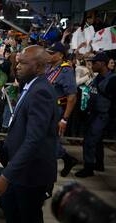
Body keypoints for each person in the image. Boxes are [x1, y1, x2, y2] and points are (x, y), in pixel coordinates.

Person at [0, 45, 58, 223]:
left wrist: (6, 176)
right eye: (18, 62)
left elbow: (34, 140)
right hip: (21, 169)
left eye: (23, 63)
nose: (17, 66)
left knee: (28, 216)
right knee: (13, 210)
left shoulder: (40, 91)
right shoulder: (30, 87)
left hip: (31, 174)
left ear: (39, 67)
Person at [75, 53, 115, 177]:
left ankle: (89, 168)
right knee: (97, 141)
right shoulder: (97, 78)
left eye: (94, 63)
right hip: (94, 113)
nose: (91, 65)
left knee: (90, 140)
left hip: (104, 115)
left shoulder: (113, 80)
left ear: (102, 64)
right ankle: (99, 164)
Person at [45, 42, 78, 177]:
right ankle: (67, 159)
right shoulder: (49, 68)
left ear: (60, 56)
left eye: (52, 53)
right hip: (46, 109)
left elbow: (72, 97)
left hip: (56, 110)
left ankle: (66, 159)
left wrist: (64, 119)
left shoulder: (66, 71)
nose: (49, 55)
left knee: (51, 139)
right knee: (46, 139)